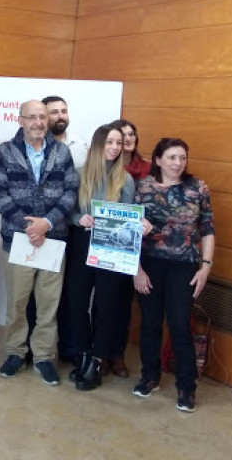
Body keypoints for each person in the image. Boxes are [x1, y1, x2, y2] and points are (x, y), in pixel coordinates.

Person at [0, 100, 78, 386]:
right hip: (19, 240)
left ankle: (43, 357)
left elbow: (71, 192)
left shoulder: (62, 151)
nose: (39, 122)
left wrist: (47, 223)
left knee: (48, 305)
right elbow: (0, 194)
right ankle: (16, 352)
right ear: (21, 120)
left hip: (54, 241)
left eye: (42, 117)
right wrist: (30, 227)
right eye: (32, 117)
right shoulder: (6, 150)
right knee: (17, 303)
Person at [133, 138, 215, 413]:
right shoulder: (143, 187)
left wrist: (205, 266)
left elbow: (207, 229)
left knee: (180, 326)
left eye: (182, 157)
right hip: (149, 263)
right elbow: (129, 230)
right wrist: (137, 270)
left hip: (184, 266)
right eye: (171, 157)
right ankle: (150, 376)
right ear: (158, 160)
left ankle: (186, 386)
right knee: (150, 323)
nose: (177, 163)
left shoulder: (197, 188)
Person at [64, 124, 143, 391]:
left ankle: (98, 360)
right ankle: (84, 353)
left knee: (106, 307)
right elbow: (68, 213)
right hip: (82, 243)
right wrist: (79, 218)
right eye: (109, 142)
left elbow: (130, 218)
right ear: (98, 144)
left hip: (112, 249)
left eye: (118, 143)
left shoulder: (126, 180)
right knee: (76, 303)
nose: (114, 148)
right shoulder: (77, 175)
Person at [107, 118, 151, 377]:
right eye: (123, 135)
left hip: (139, 245)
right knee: (104, 302)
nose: (129, 138)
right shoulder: (104, 168)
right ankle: (99, 350)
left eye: (132, 134)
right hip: (109, 243)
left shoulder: (147, 169)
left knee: (124, 303)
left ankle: (117, 354)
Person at [42, 95, 89, 169]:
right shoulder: (34, 147)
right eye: (54, 112)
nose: (61, 116)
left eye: (64, 111)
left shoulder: (80, 143)